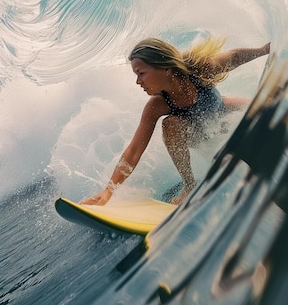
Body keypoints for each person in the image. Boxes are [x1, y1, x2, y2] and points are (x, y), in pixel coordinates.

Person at [81, 37, 271, 206]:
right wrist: (109, 190)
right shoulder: (157, 105)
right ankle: (189, 184)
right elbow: (134, 150)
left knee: (270, 107)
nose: (138, 81)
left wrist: (264, 50)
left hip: (221, 111)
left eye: (141, 73)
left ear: (166, 68)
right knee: (170, 124)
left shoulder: (200, 69)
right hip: (200, 135)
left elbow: (234, 57)